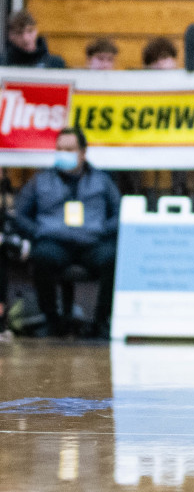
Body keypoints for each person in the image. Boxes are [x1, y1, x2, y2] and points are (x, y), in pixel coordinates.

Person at [12, 127, 120, 338]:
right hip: (55, 242)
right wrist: (39, 231)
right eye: (60, 148)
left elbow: (119, 212)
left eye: (69, 149)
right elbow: (20, 214)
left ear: (83, 152)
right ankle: (53, 321)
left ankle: (100, 322)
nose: (64, 153)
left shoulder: (102, 181)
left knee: (112, 257)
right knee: (42, 255)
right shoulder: (40, 181)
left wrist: (103, 230)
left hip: (92, 243)